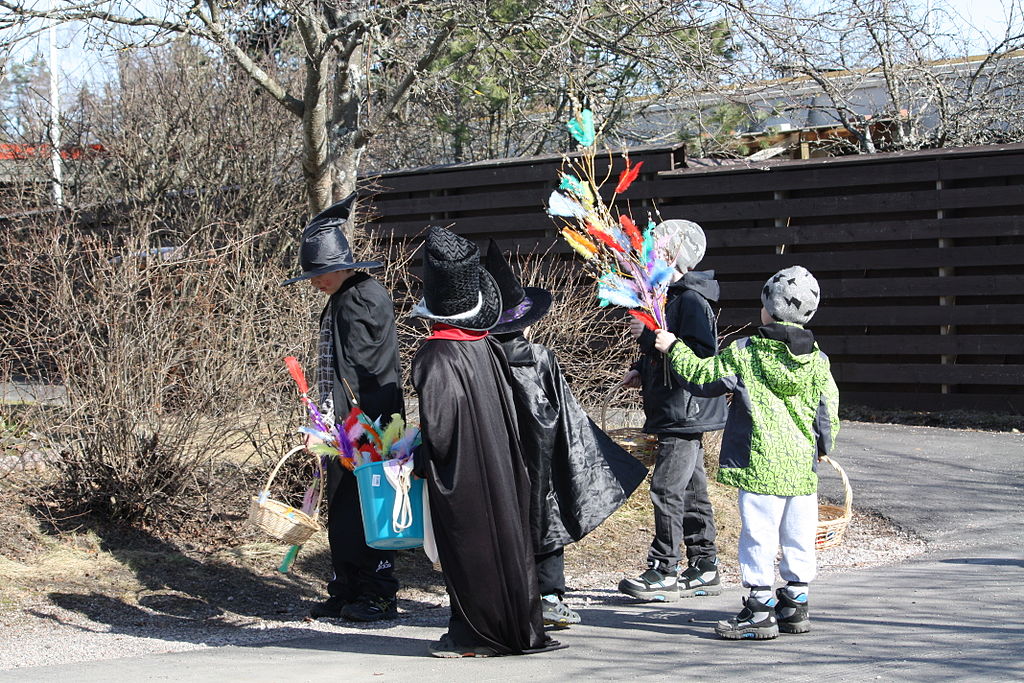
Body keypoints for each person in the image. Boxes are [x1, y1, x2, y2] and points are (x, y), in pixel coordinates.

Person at [653, 265, 840, 640]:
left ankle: (758, 608)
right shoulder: (818, 361)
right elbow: (828, 411)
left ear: (768, 309)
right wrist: (821, 447)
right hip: (800, 468)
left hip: (758, 463)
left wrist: (673, 347)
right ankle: (795, 601)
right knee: (797, 534)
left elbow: (703, 377)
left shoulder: (745, 353)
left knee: (759, 534)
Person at [410, 227, 563, 658]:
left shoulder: (436, 356)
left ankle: (477, 634)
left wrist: (416, 456)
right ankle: (510, 625)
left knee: (469, 552)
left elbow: (440, 432)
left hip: (464, 477)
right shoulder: (485, 347)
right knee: (506, 547)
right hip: (500, 465)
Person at [484, 241, 648, 627]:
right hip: (544, 452)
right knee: (547, 511)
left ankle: (512, 595)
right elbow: (567, 414)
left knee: (508, 518)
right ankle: (550, 594)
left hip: (500, 453)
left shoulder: (480, 359)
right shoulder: (540, 357)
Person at [282, 194, 404, 622]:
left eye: (320, 273)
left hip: (365, 427)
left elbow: (365, 370)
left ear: (342, 266)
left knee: (366, 510)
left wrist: (347, 426)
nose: (315, 281)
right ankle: (347, 586)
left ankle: (377, 593)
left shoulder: (362, 297)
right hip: (343, 425)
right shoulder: (344, 295)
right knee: (343, 507)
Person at [618, 220, 728, 602]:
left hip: (686, 410)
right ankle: (705, 565)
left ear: (673, 257)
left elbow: (700, 355)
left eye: (658, 249)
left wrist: (656, 341)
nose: (650, 255)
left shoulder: (691, 300)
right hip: (671, 407)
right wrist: (641, 362)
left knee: (665, 488)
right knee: (693, 488)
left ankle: (664, 569)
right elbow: (663, 344)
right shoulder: (665, 296)